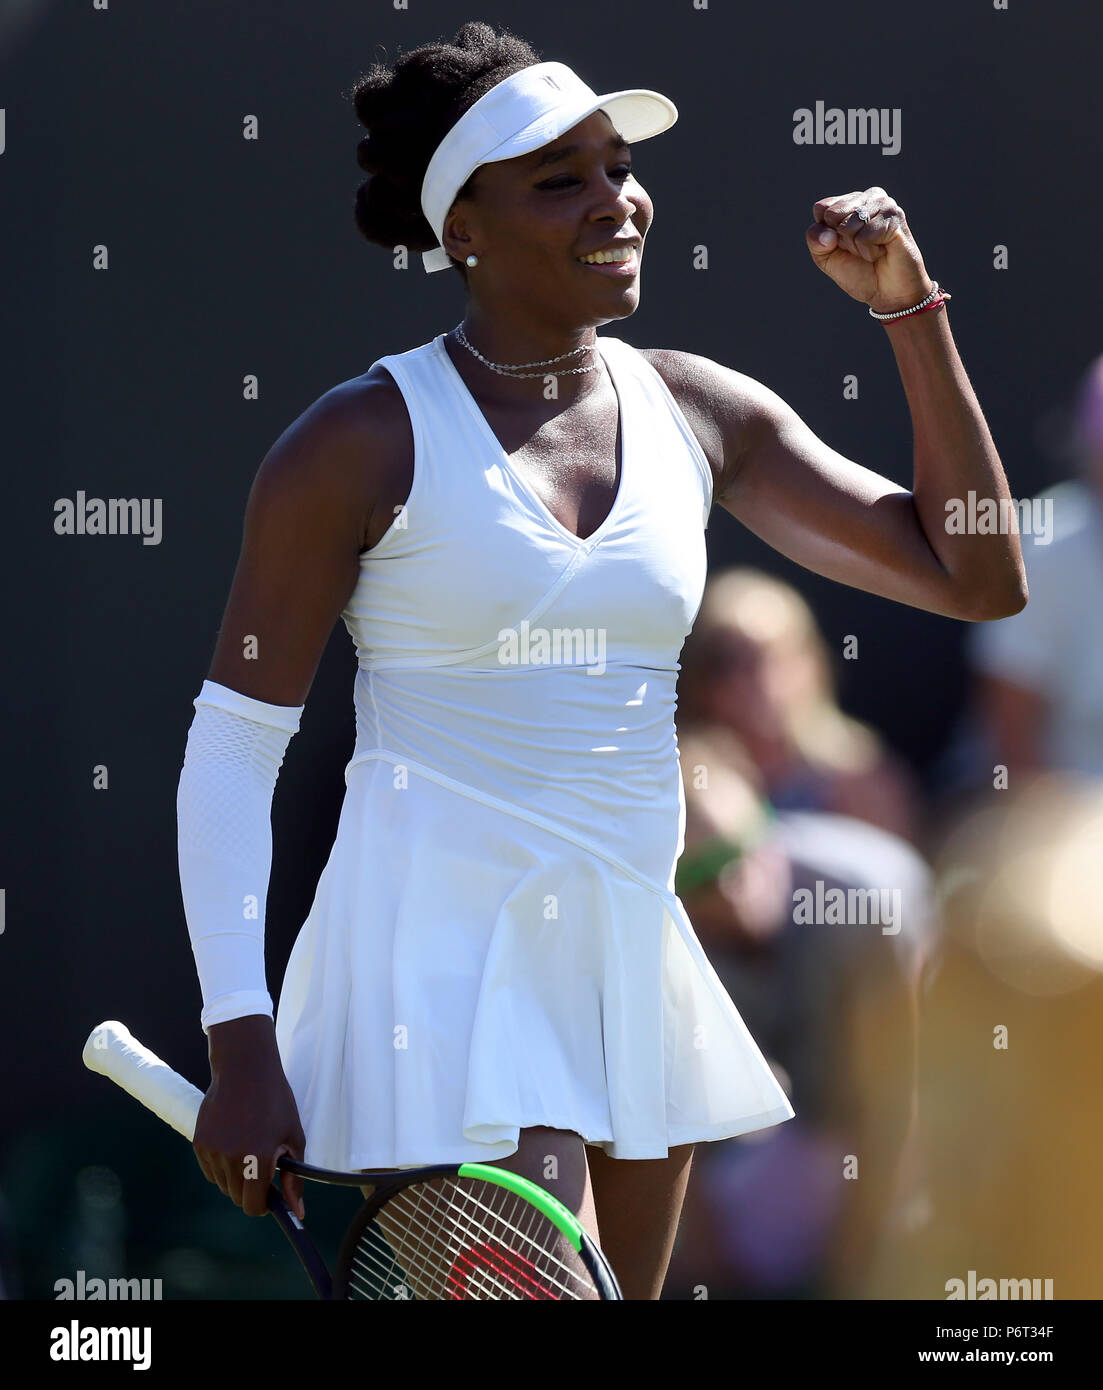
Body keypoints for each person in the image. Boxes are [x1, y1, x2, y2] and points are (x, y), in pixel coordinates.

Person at [174, 21, 1027, 1300]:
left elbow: (974, 573)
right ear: (460, 226)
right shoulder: (351, 444)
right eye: (559, 179)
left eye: (617, 167)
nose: (616, 201)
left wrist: (907, 308)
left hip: (628, 961)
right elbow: (234, 753)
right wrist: (239, 1040)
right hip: (436, 977)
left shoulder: (695, 409)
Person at [678, 567, 922, 844]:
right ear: (698, 678)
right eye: (727, 662)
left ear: (812, 663)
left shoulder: (860, 775)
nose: (758, 680)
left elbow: (898, 878)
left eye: (774, 656)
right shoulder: (680, 776)